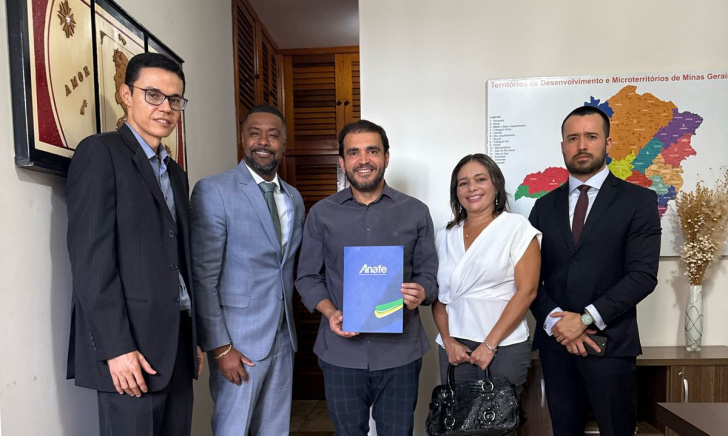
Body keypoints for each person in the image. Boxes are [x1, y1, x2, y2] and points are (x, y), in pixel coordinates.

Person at [66, 52, 203, 436]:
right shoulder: (101, 153)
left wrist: (193, 338)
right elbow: (91, 260)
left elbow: (179, 258)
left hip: (177, 343)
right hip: (130, 349)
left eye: (174, 99)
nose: (166, 108)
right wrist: (115, 348)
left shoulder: (175, 173)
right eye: (153, 95)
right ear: (126, 95)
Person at [296, 120, 438, 436]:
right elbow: (307, 277)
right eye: (354, 152)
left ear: (386, 157)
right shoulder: (321, 213)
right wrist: (330, 312)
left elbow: (429, 274)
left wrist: (421, 291)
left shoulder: (416, 211)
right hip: (340, 352)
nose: (363, 160)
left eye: (372, 151)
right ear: (342, 162)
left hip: (400, 352)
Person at [528, 106, 661, 436]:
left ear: (608, 143)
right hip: (557, 346)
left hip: (611, 345)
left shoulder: (638, 201)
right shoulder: (543, 207)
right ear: (563, 146)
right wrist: (559, 324)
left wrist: (585, 319)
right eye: (573, 138)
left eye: (591, 136)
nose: (582, 145)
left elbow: (642, 276)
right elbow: (528, 278)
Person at [190, 105, 304, 436]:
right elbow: (203, 277)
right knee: (234, 429)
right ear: (243, 139)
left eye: (273, 135)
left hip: (283, 338)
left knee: (275, 430)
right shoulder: (214, 190)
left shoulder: (294, 198)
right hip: (237, 343)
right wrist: (220, 347)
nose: (263, 142)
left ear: (284, 143)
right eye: (255, 134)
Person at [432, 154, 540, 414]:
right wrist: (447, 341)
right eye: (463, 183)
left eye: (480, 179)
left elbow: (527, 291)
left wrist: (490, 344)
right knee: (458, 424)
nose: (472, 188)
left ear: (496, 185)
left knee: (498, 425)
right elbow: (439, 296)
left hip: (504, 345)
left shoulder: (516, 227)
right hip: (455, 348)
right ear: (456, 191)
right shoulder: (443, 236)